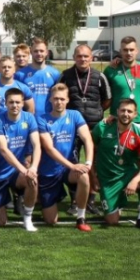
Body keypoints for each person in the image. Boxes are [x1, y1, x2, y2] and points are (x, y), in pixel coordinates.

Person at [36, 85, 94, 231]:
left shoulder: (75, 115)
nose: (59, 102)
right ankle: (56, 196)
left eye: (62, 99)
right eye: (56, 99)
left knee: (84, 176)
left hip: (68, 170)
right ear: (50, 99)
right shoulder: (42, 119)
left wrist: (88, 163)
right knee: (51, 220)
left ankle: (81, 218)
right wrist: (72, 166)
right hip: (48, 172)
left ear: (67, 100)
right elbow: (49, 148)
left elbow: (87, 139)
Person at [91, 100, 140, 230]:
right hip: (108, 179)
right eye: (123, 110)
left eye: (129, 111)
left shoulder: (139, 134)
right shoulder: (103, 127)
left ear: (135, 114)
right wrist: (93, 176)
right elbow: (91, 151)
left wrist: (135, 180)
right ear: (117, 112)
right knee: (112, 221)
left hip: (128, 175)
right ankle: (118, 202)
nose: (126, 114)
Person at [0, 88, 41, 231]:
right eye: (11, 102)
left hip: (17, 173)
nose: (14, 105)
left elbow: (37, 145)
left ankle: (27, 218)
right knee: (0, 222)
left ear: (23, 103)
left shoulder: (29, 118)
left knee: (32, 179)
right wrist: (23, 169)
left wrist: (33, 168)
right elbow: (3, 150)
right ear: (5, 103)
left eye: (17, 102)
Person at [59, 44, 110, 130]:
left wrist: (97, 111)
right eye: (79, 56)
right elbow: (58, 97)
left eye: (86, 56)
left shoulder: (100, 76)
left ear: (91, 58)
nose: (83, 59)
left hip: (95, 126)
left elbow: (108, 99)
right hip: (72, 124)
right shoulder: (65, 76)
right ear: (74, 57)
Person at [104, 37, 140, 122]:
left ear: (137, 50)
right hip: (117, 119)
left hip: (139, 119)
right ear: (120, 51)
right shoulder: (111, 70)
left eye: (131, 50)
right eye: (125, 50)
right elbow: (102, 94)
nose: (129, 53)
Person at [0, 55, 33, 120]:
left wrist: (23, 122)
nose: (7, 69)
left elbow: (31, 109)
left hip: (18, 127)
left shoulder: (23, 88)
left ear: (14, 69)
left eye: (9, 67)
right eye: (4, 67)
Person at [21, 38, 62, 117]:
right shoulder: (20, 74)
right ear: (31, 52)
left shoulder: (55, 73)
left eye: (41, 51)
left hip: (49, 118)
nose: (39, 53)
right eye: (36, 51)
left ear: (46, 52)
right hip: (27, 118)